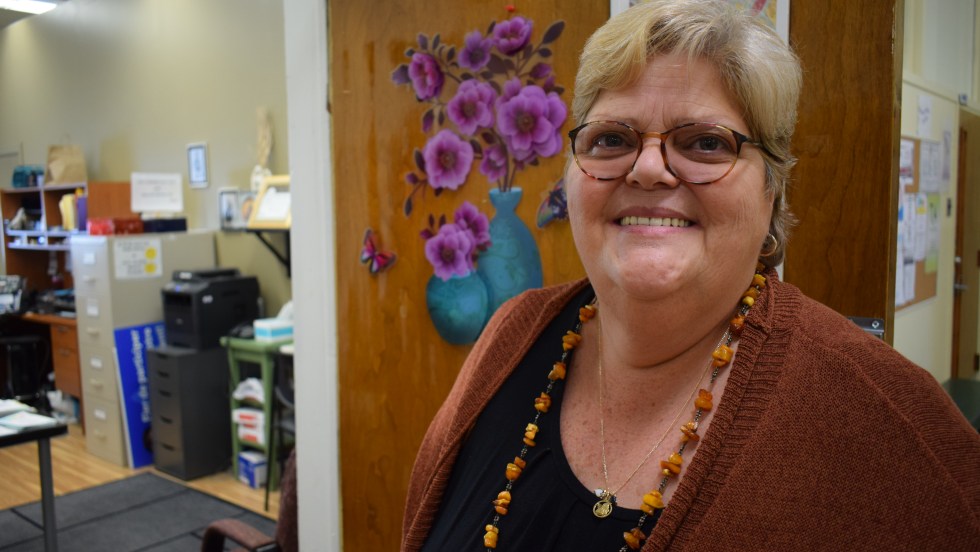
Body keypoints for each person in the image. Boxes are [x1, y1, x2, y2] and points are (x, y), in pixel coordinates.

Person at [402, 1, 980, 550]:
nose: (648, 168)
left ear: (771, 188)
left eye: (705, 142)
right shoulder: (512, 335)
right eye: (611, 139)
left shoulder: (887, 419)